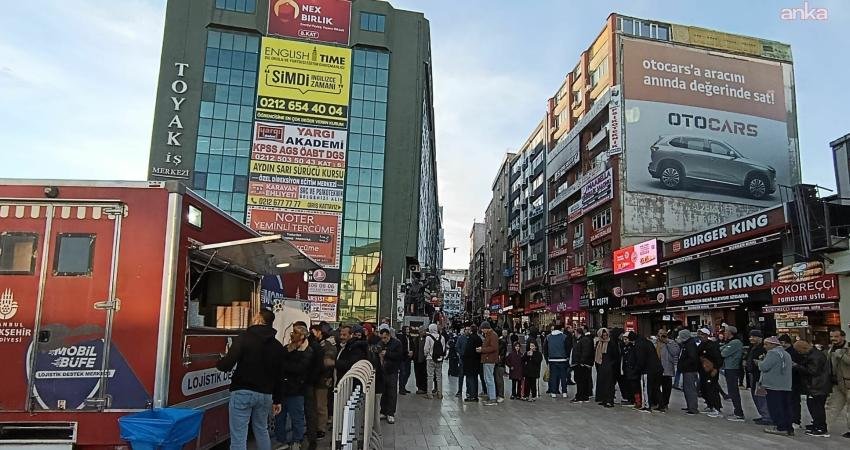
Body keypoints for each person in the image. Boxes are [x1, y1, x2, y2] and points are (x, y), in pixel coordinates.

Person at [216, 309, 284, 450]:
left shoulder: (243, 338)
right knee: (262, 429)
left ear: (259, 319)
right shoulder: (277, 346)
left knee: (239, 436)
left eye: (254, 316)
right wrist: (277, 400)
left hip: (242, 391)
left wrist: (219, 363)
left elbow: (227, 364)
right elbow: (279, 375)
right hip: (265, 394)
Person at [275, 324, 314, 450]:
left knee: (297, 417)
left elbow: (299, 368)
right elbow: (278, 363)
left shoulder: (307, 350)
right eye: (292, 332)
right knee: (279, 417)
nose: (292, 335)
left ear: (302, 336)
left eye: (295, 332)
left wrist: (285, 363)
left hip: (297, 389)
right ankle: (281, 440)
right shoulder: (286, 348)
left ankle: (297, 440)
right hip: (283, 388)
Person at [793, 339, 831, 437]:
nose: (799, 353)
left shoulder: (815, 356)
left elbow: (813, 371)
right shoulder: (813, 354)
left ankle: (821, 428)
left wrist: (797, 366)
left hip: (817, 386)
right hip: (815, 386)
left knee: (817, 408)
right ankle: (817, 424)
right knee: (813, 406)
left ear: (803, 348)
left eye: (799, 351)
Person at [760, 335, 794, 436]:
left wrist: (759, 363)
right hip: (786, 385)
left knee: (775, 407)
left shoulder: (772, 353)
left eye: (766, 344)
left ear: (773, 344)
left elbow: (764, 367)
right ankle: (789, 428)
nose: (764, 346)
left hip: (773, 385)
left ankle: (780, 427)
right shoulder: (786, 353)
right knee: (785, 407)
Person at [300, 322, 323, 450]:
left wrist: (309, 380)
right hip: (307, 382)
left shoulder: (312, 347)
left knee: (309, 410)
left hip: (307, 383)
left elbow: (317, 366)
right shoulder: (314, 345)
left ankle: (311, 438)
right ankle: (310, 437)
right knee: (309, 411)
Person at [310, 324, 335, 441]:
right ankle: (314, 427)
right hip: (314, 378)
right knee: (313, 406)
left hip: (322, 379)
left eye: (313, 332)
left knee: (321, 405)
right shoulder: (313, 344)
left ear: (319, 332)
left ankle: (321, 429)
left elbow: (328, 362)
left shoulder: (327, 345)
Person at [826, 328, 850, 439]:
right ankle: (824, 426)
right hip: (837, 384)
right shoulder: (831, 349)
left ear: (843, 337)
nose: (833, 339)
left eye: (836, 336)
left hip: (848, 383)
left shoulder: (848, 348)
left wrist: (841, 355)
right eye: (831, 336)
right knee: (832, 406)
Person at [377, 325, 403, 424]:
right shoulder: (380, 343)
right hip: (382, 371)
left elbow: (399, 356)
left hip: (392, 371)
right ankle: (383, 411)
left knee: (392, 392)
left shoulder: (396, 343)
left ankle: (391, 413)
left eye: (385, 337)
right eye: (382, 338)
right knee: (383, 392)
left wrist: (387, 353)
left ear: (388, 335)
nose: (383, 340)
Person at [747, 330, 773, 425]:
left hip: (760, 377)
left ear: (760, 338)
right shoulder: (752, 347)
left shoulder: (763, 349)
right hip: (752, 375)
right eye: (750, 337)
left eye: (754, 337)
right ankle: (763, 414)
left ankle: (767, 416)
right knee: (755, 395)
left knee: (761, 396)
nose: (751, 338)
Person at [719, 325, 745, 421]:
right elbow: (721, 348)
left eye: (725, 331)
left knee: (733, 391)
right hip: (728, 367)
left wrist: (723, 348)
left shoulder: (735, 342)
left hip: (732, 368)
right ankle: (737, 411)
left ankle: (739, 413)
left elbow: (723, 353)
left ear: (730, 332)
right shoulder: (730, 342)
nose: (724, 333)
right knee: (731, 390)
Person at [696, 328, 723, 418]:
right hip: (703, 370)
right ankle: (710, 405)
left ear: (707, 335)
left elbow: (718, 358)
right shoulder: (701, 345)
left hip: (711, 371)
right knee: (704, 388)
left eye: (702, 334)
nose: (700, 336)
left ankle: (717, 408)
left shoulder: (712, 345)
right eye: (699, 334)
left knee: (712, 388)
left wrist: (716, 368)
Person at [778, 334, 803, 429]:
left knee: (793, 401)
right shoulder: (785, 352)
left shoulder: (792, 353)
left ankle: (795, 420)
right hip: (788, 380)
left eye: (781, 343)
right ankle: (790, 419)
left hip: (793, 380)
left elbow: (793, 366)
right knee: (789, 401)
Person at [676, 329, 700, 415]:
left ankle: (693, 408)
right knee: (687, 389)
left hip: (690, 370)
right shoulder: (686, 344)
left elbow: (692, 358)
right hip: (687, 370)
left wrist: (683, 365)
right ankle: (690, 406)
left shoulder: (690, 345)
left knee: (690, 389)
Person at [656, 329, 679, 412]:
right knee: (656, 387)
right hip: (657, 369)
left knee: (667, 388)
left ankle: (665, 403)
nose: (661, 335)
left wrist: (667, 342)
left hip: (667, 369)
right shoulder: (655, 342)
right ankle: (658, 402)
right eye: (660, 334)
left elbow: (675, 352)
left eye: (663, 334)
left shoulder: (671, 342)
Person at [546, 323, 570, 398]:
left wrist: (547, 358)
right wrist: (567, 357)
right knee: (563, 376)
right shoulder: (564, 337)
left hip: (552, 359)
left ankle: (553, 392)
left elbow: (545, 349)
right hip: (562, 359)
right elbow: (568, 348)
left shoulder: (548, 337)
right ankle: (564, 392)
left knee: (553, 376)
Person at [478, 321, 500, 405]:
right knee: (487, 378)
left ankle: (492, 398)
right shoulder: (489, 334)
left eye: (482, 329)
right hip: (487, 359)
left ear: (486, 328)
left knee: (489, 379)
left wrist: (482, 349)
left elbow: (493, 348)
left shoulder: (492, 335)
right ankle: (490, 396)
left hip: (489, 359)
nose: (482, 330)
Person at [594, 328, 617, 408]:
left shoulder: (611, 343)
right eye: (603, 335)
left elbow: (615, 355)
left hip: (609, 365)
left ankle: (610, 400)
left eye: (606, 335)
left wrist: (611, 364)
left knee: (609, 384)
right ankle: (604, 399)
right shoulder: (598, 343)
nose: (605, 337)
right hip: (601, 364)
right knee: (602, 383)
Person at [423, 323, 446, 399]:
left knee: (430, 376)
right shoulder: (442, 337)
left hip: (430, 358)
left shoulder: (428, 337)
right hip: (439, 359)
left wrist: (426, 355)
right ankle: (440, 394)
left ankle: (429, 394)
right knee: (439, 377)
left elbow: (426, 349)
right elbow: (443, 349)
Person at [571, 327, 594, 402]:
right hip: (580, 363)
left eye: (575, 332)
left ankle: (580, 396)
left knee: (581, 381)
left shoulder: (584, 340)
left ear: (578, 332)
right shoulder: (580, 340)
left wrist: (581, 362)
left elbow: (585, 352)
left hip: (581, 364)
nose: (574, 334)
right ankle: (584, 396)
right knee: (582, 381)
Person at [463, 325, 483, 402]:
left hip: (470, 362)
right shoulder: (479, 338)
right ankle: (475, 395)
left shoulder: (471, 339)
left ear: (471, 331)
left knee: (470, 379)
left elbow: (467, 351)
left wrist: (464, 357)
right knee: (475, 378)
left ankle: (471, 395)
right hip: (477, 362)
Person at [397, 326, 412, 395]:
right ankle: (401, 388)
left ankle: (404, 386)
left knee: (408, 372)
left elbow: (411, 345)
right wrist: (407, 352)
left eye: (408, 329)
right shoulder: (401, 337)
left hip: (408, 358)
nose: (408, 331)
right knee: (403, 373)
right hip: (403, 358)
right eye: (407, 329)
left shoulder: (409, 337)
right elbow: (402, 347)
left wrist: (412, 352)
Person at [413, 325, 428, 395]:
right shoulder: (416, 339)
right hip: (417, 360)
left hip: (424, 360)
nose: (424, 332)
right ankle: (419, 388)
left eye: (424, 330)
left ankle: (424, 388)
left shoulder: (427, 339)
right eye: (422, 331)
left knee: (424, 375)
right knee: (417, 374)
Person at [455, 326, 469, 397]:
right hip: (462, 359)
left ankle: (468, 391)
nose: (468, 331)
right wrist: (461, 353)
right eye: (467, 329)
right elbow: (457, 347)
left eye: (469, 329)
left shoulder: (471, 338)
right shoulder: (461, 338)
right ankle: (459, 391)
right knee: (461, 376)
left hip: (469, 360)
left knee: (469, 377)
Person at [495, 329, 508, 402]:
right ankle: (498, 394)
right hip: (499, 363)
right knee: (498, 379)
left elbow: (501, 354)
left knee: (499, 379)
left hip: (499, 364)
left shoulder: (501, 342)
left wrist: (499, 362)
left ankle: (500, 395)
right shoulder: (501, 341)